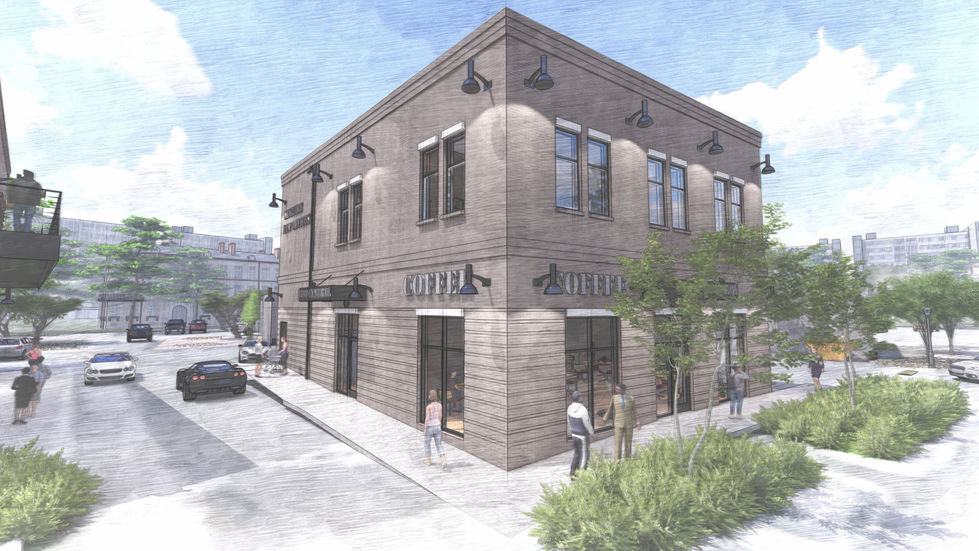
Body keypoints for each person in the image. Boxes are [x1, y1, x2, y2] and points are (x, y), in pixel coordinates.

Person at [603, 383, 640, 459]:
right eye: (616, 389)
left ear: (623, 390)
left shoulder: (631, 398)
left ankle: (628, 460)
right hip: (618, 424)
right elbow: (610, 408)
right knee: (618, 443)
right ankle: (617, 461)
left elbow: (635, 411)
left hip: (629, 424)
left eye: (618, 389)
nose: (616, 391)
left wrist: (637, 423)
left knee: (628, 443)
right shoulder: (614, 398)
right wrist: (605, 418)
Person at [567, 390, 594, 476]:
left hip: (574, 435)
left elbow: (568, 420)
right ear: (578, 398)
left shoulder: (570, 408)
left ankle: (572, 472)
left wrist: (572, 429)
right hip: (582, 436)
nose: (583, 398)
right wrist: (592, 433)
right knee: (585, 455)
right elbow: (587, 423)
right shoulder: (583, 409)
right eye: (581, 396)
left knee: (577, 454)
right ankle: (582, 474)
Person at [423, 389, 446, 469]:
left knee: (427, 443)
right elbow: (440, 416)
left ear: (430, 397)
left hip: (430, 427)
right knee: (439, 444)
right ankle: (443, 460)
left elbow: (427, 418)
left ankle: (428, 460)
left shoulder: (429, 407)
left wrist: (425, 428)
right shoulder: (440, 405)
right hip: (437, 426)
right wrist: (439, 423)